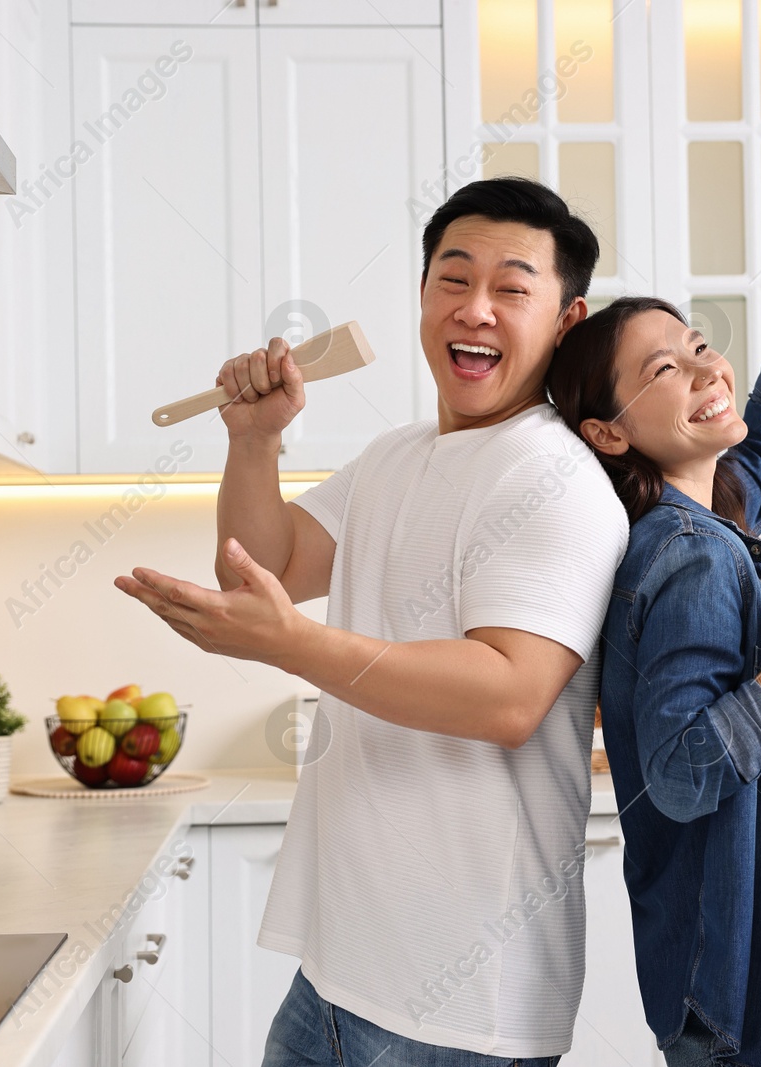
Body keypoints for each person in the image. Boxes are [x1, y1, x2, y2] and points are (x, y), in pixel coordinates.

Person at [114, 177, 629, 1066]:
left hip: (464, 999)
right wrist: (253, 440)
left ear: (567, 320)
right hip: (341, 973)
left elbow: (509, 696)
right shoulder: (396, 456)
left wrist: (293, 645)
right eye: (451, 279)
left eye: (513, 289)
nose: (476, 309)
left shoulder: (558, 478)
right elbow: (266, 566)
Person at [546, 204, 761, 1066]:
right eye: (667, 367)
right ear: (609, 432)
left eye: (700, 346)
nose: (706, 368)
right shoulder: (692, 556)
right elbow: (687, 769)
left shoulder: (700, 514)